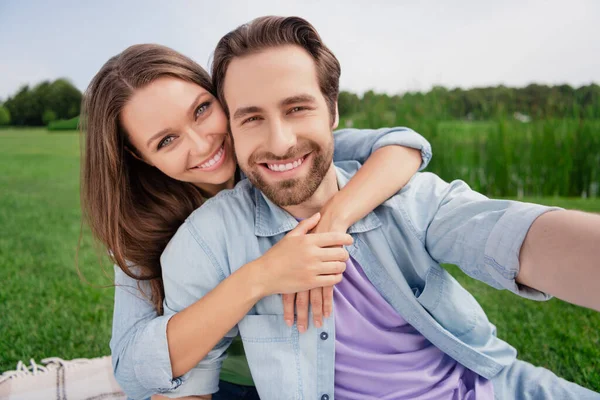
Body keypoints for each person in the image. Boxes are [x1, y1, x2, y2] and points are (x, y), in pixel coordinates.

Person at [159, 16, 600, 399]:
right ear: (232, 128)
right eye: (252, 117)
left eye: (297, 108)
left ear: (333, 111)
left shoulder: (406, 197)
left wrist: (332, 223)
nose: (279, 141)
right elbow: (183, 381)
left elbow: (512, 234)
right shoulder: (210, 239)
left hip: (497, 386)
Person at [80, 44, 432, 400]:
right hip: (226, 385)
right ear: (140, 155)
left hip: (319, 373)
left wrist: (334, 219)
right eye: (167, 140)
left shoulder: (282, 152)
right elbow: (133, 369)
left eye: (202, 110)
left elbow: (402, 147)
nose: (202, 145)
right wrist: (260, 277)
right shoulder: (140, 227)